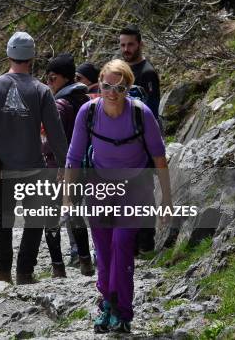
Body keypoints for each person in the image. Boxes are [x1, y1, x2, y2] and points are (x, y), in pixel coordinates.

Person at [64, 60, 171, 333]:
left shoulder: (141, 113)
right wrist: (67, 196)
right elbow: (74, 156)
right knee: (103, 248)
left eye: (120, 88)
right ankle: (107, 305)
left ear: (128, 87)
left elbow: (159, 157)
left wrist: (166, 200)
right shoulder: (88, 113)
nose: (112, 93)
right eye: (106, 86)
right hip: (99, 184)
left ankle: (122, 311)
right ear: (99, 84)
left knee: (122, 243)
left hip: (135, 185)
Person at [0, 31, 68, 285]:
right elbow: (56, 135)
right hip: (33, 166)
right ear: (32, 57)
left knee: (3, 221)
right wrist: (65, 165)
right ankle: (25, 272)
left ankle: (2, 273)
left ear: (9, 53)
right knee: (34, 221)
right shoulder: (42, 91)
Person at [42, 53, 94, 278]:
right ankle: (85, 260)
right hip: (85, 166)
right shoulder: (86, 99)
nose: (48, 83)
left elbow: (53, 142)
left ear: (64, 78)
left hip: (59, 169)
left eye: (52, 78)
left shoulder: (60, 105)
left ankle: (57, 267)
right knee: (76, 214)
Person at [119, 25, 161, 253]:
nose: (126, 49)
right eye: (123, 45)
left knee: (143, 193)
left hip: (143, 145)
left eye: (130, 44)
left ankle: (146, 243)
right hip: (121, 144)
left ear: (140, 44)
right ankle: (130, 243)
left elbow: (152, 113)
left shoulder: (147, 73)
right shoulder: (120, 71)